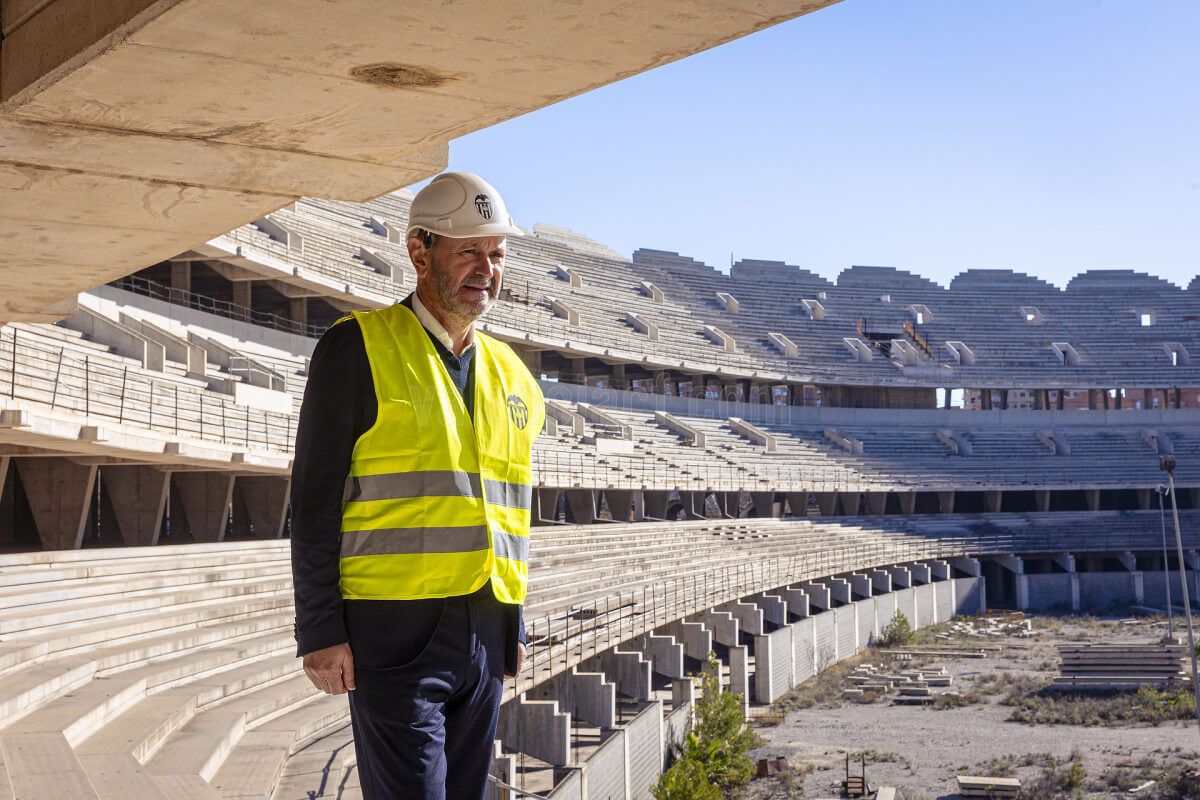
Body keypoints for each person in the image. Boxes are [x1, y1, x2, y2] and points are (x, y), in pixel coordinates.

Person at [289, 171, 545, 800]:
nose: (486, 268)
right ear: (418, 252)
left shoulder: (513, 373)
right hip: (393, 633)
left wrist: (509, 631)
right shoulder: (357, 348)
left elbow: (508, 516)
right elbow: (313, 502)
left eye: (496, 253)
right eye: (468, 250)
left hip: (486, 633)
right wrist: (319, 631)